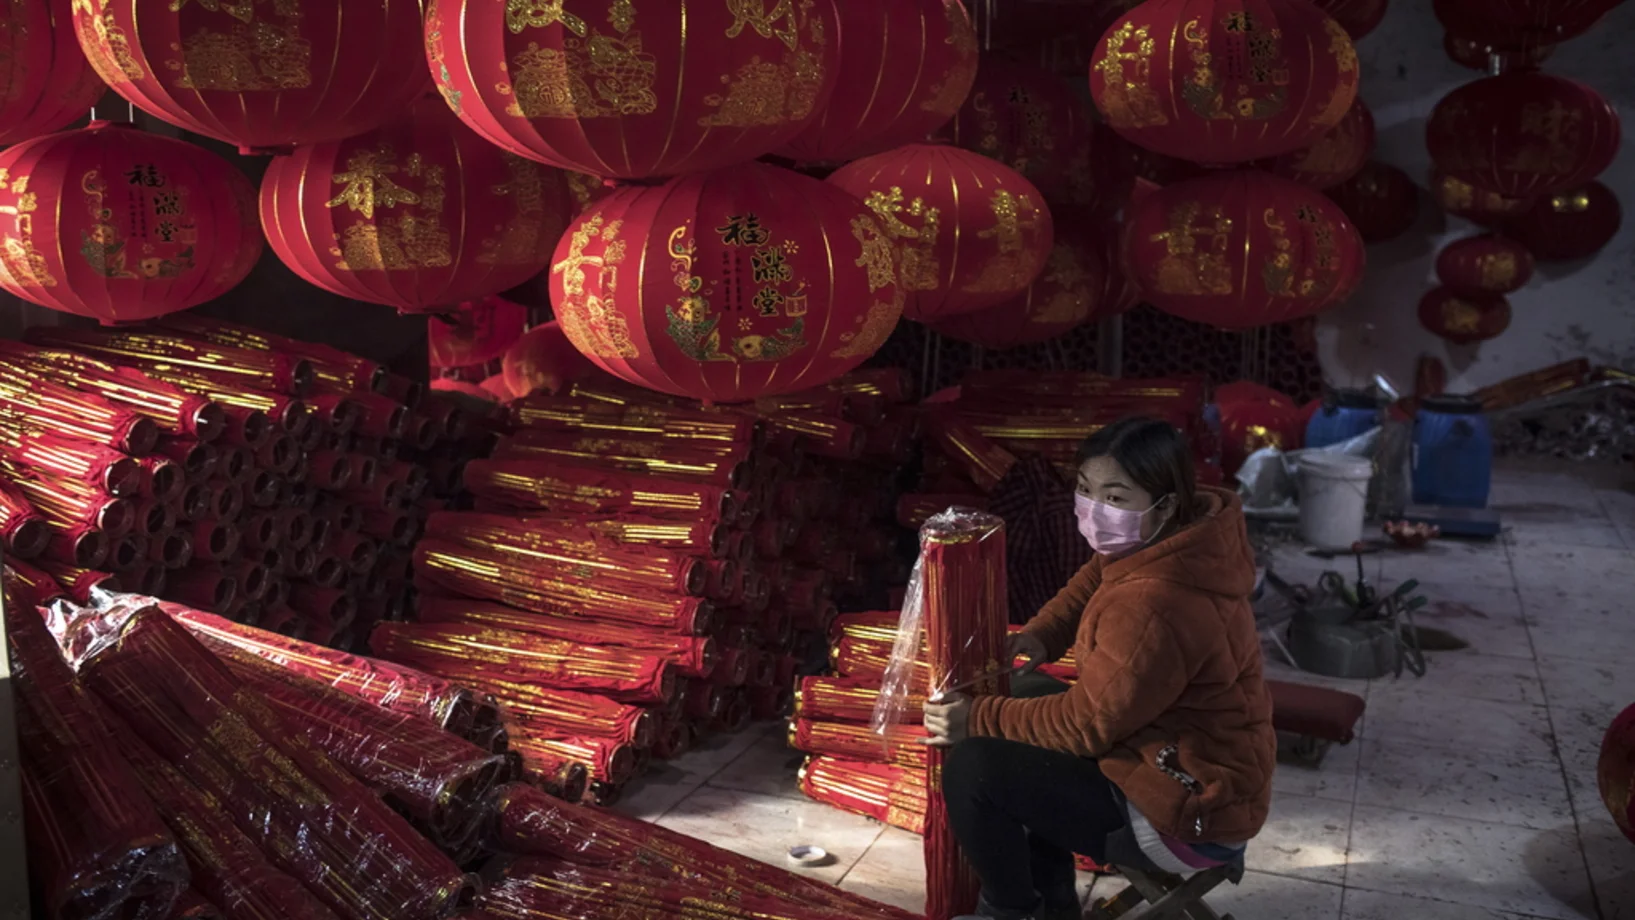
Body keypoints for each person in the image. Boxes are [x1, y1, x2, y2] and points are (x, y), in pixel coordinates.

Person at [922, 416, 1275, 920]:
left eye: (1115, 497)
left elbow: (1085, 728)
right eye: (1086, 490)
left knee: (977, 768)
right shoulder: (1178, 540)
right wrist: (1042, 634)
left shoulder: (1157, 603)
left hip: (1190, 808)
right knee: (1023, 694)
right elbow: (1093, 579)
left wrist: (974, 718)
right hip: (1180, 763)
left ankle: (1010, 912)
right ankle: (1056, 907)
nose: (1094, 509)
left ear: (1166, 502)